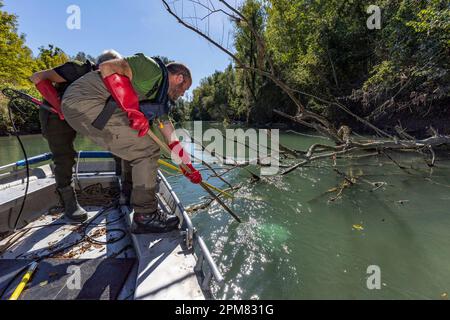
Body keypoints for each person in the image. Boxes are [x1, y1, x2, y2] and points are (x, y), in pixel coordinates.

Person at [61, 53, 202, 234]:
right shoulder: (150, 67)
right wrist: (132, 109)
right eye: (185, 88)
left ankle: (130, 197)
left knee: (143, 144)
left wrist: (185, 164)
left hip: (94, 108)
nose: (183, 94)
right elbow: (107, 68)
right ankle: (145, 215)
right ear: (179, 78)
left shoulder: (159, 95)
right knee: (147, 149)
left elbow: (168, 132)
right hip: (86, 102)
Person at [29, 50, 123, 222]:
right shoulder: (77, 69)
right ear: (101, 67)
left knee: (117, 139)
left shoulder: (112, 82)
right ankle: (69, 203)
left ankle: (124, 186)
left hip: (85, 113)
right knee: (64, 158)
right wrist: (59, 106)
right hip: (56, 114)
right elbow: (37, 77)